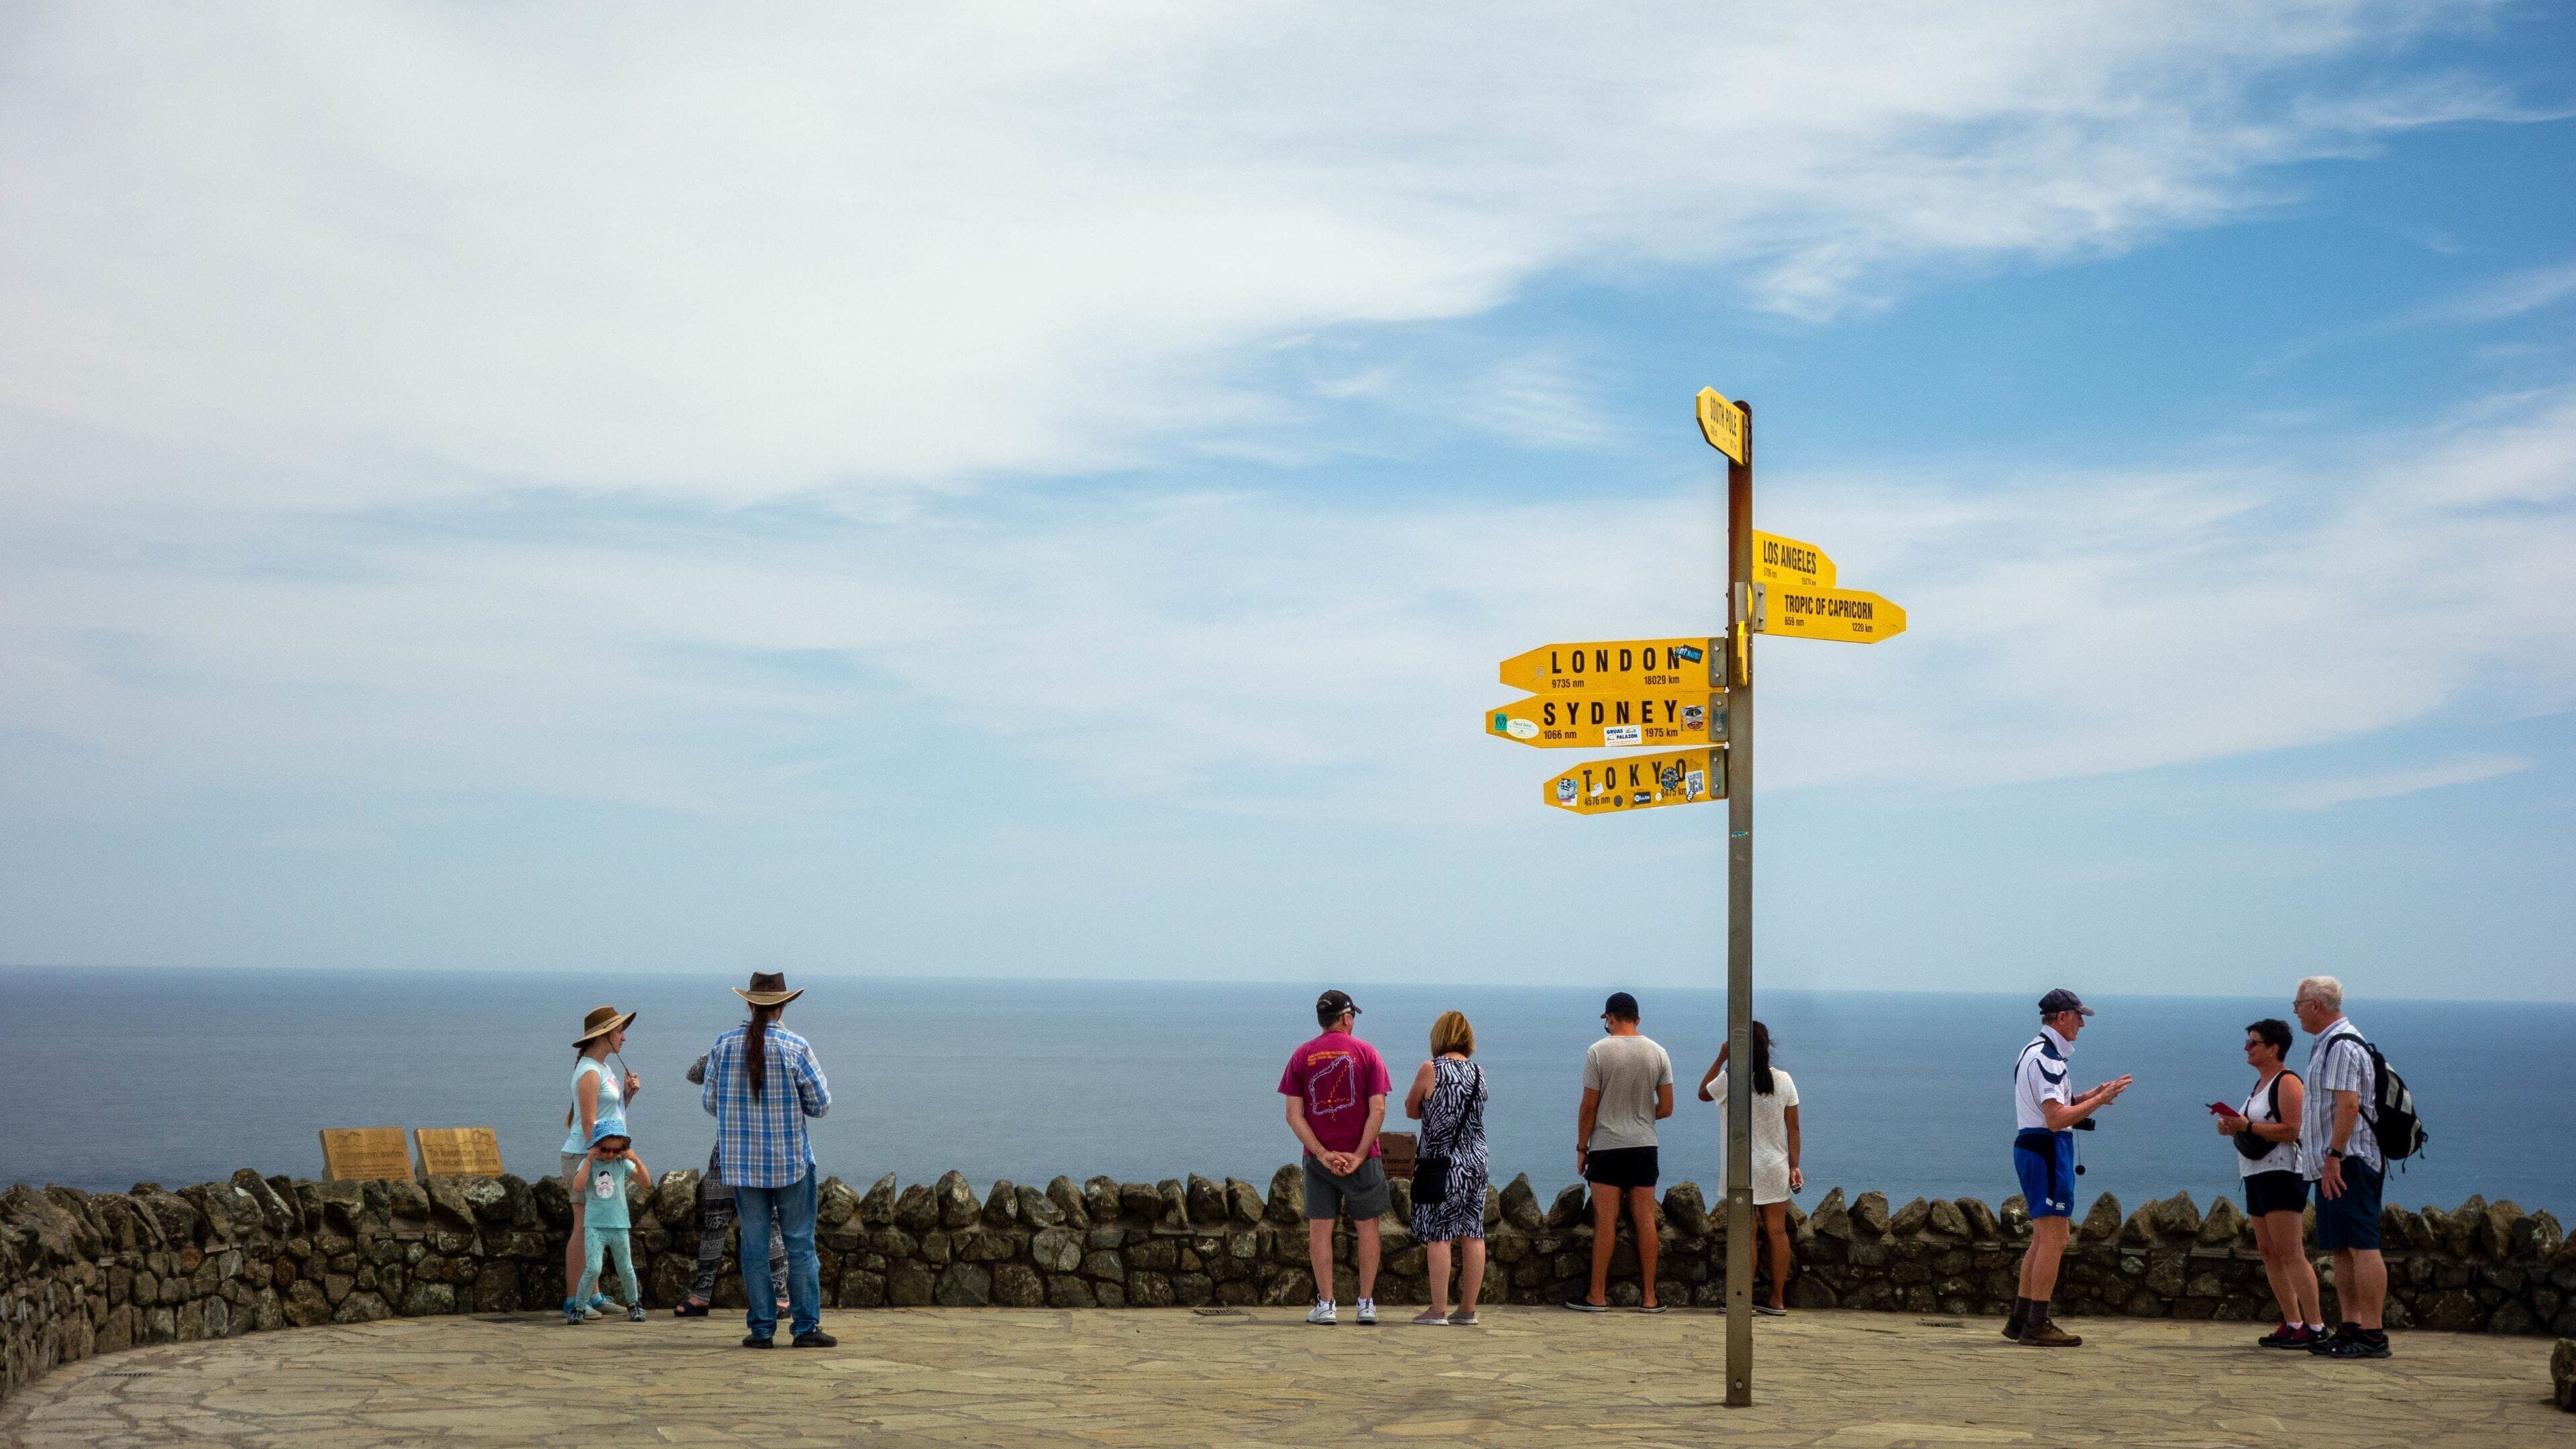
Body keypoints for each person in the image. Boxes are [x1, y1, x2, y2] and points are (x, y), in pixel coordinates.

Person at [701, 971, 834, 1349]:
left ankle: (762, 1330)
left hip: (742, 1166)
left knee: (754, 1249)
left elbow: (711, 1103)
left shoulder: (723, 1046)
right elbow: (821, 1105)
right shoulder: (795, 1046)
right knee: (800, 1246)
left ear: (748, 1003)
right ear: (784, 1004)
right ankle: (806, 1328)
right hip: (791, 1161)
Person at [2003, 989, 2132, 1348]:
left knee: (2042, 1237)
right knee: (2056, 1238)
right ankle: (2038, 1323)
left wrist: (2092, 1096)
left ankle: (2021, 1319)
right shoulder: (2049, 1060)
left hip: (2034, 1147)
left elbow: (2058, 1104)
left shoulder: (2034, 1052)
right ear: (2062, 1018)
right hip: (2046, 1149)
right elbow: (2056, 1118)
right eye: (2078, 1016)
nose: (2082, 1024)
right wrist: (2100, 1102)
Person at [1279, 989, 1393, 1326]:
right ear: (1346, 1018)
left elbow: (1293, 1115)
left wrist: (1322, 1154)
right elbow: (1379, 1108)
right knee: (1368, 1227)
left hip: (1319, 1160)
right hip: (1364, 1158)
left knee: (1320, 1228)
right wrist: (1358, 1155)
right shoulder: (1367, 1053)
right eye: (1353, 1016)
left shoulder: (1302, 1055)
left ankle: (1327, 1304)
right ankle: (1366, 1303)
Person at [2294, 975, 2391, 1360]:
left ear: (2316, 1005)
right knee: (2342, 1249)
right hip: (2333, 1162)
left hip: (2349, 1161)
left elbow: (2348, 1106)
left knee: (2362, 1246)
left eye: (2298, 1004)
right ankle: (2351, 1327)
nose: (2296, 1012)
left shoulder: (2340, 1046)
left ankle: (2373, 1334)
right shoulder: (2328, 1045)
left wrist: (2334, 1156)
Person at [2214, 1017, 2324, 1348]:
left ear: (2273, 1049)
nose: (2247, 1048)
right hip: (2257, 1173)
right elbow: (2255, 1126)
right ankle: (2292, 1322)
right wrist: (2232, 1127)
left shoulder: (2288, 1082)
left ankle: (2316, 1326)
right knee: (2269, 1251)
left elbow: (2293, 1130)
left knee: (2291, 1251)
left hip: (2282, 1173)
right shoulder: (2261, 1085)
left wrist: (2246, 1127)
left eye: (2254, 1043)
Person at [1567, 991, 1673, 1313]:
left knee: (1606, 1222)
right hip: (1644, 1146)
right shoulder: (1658, 1053)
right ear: (1638, 1019)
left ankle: (1597, 1295)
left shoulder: (1598, 1052)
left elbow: (1589, 1106)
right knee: (1645, 1221)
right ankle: (1650, 1298)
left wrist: (1582, 1147)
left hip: (1607, 1146)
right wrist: (1638, 1114)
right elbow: (1667, 1108)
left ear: (1610, 1018)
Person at [1697, 1021, 1801, 1315]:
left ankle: (1742, 1299)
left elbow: (1703, 1093)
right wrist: (1794, 1165)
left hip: (1740, 1169)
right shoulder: (1784, 1081)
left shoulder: (1732, 1079)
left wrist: (1721, 1058)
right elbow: (1793, 1129)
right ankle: (1777, 1300)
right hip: (1775, 1167)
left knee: (1746, 1234)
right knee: (1777, 1233)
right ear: (1768, 1047)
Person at [678, 1054, 790, 1318]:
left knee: (764, 1226)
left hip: (751, 1154)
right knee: (716, 1226)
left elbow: (694, 1073)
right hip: (733, 1155)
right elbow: (695, 1072)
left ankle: (780, 1297)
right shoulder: (732, 1052)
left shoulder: (774, 1055)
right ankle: (702, 1297)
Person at [1403, 1010, 1490, 1326]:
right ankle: (1468, 1310)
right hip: (1477, 1160)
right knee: (1473, 1231)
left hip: (1442, 1163)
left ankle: (1438, 1309)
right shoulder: (1478, 1073)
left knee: (1440, 1233)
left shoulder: (1431, 1069)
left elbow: (1411, 1109)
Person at [562, 1005, 639, 1321]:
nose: (623, 1037)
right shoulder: (590, 1072)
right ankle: (573, 1299)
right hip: (586, 1156)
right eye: (620, 1031)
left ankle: (592, 1296)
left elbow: (610, 1118)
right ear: (604, 1034)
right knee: (583, 1227)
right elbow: (590, 1125)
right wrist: (602, 1158)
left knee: (593, 1226)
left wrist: (627, 1097)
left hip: (599, 1157)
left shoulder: (602, 1068)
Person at [567, 1126, 651, 1325]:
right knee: (593, 1268)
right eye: (605, 1150)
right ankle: (578, 1307)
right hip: (595, 1226)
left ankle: (634, 1305)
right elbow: (578, 1186)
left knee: (626, 1267)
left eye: (616, 1151)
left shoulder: (622, 1164)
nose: (610, 1155)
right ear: (596, 1146)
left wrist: (635, 1160)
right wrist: (588, 1160)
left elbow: (646, 1183)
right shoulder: (588, 1164)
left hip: (619, 1225)